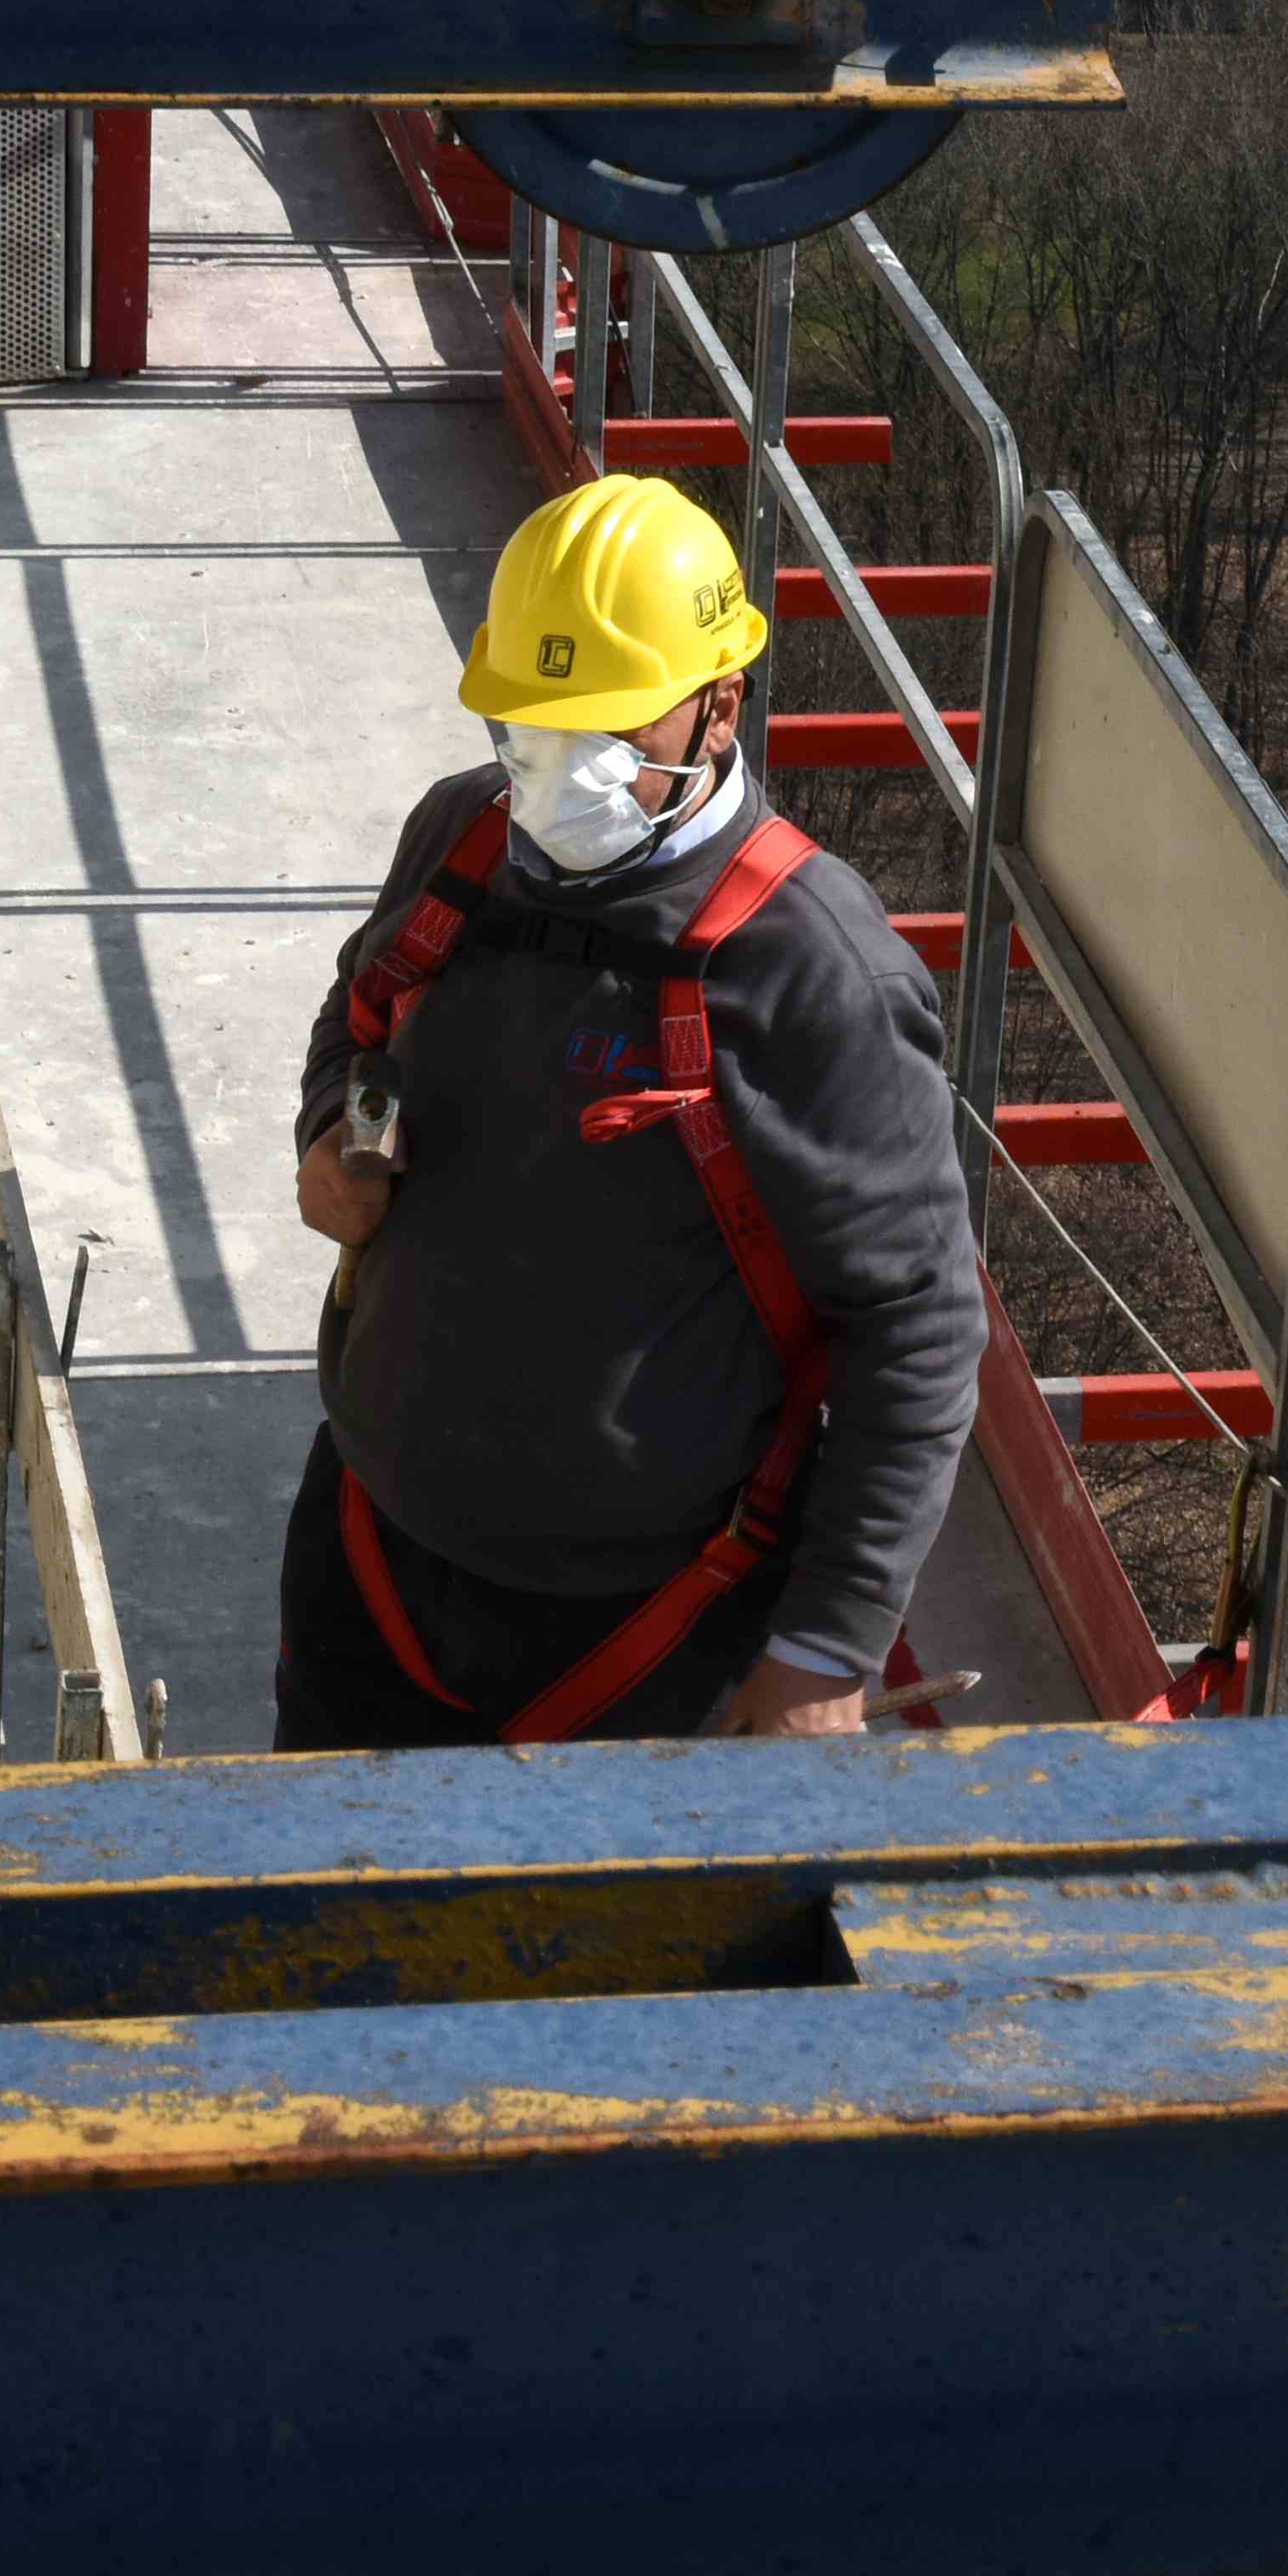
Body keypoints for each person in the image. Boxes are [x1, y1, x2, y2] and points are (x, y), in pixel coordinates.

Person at [277, 475, 982, 1748]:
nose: (558, 767)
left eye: (608, 725)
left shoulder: (810, 969)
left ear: (720, 707)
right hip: (373, 1564)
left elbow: (917, 1325)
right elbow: (363, 1010)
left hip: (644, 1631)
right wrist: (335, 1128)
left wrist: (827, 1644)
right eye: (530, 721)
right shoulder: (462, 838)